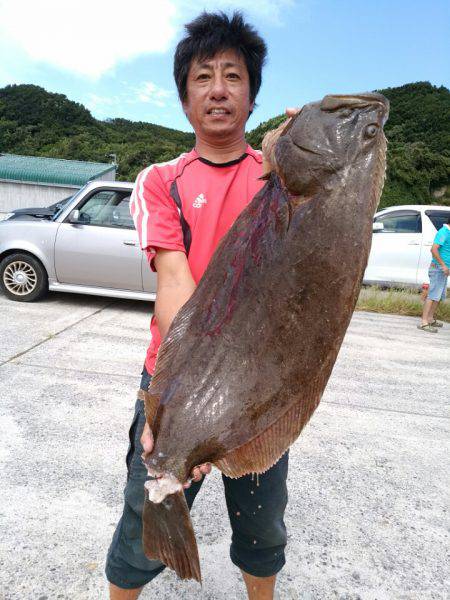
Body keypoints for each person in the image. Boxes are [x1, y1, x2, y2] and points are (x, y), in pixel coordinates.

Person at [106, 12, 297, 600]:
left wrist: (310, 156)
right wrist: (180, 407)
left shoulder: (281, 177)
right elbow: (173, 282)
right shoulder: (160, 179)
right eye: (203, 77)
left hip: (260, 386)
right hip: (178, 375)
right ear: (185, 99)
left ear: (252, 93)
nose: (218, 89)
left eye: (233, 76)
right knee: (147, 517)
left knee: (262, 526)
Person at [418, 216, 450, 332]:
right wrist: (443, 265)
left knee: (438, 296)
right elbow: (433, 249)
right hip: (438, 269)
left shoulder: (448, 233)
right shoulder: (444, 232)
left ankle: (430, 319)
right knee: (432, 295)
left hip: (443, 270)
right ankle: (424, 322)